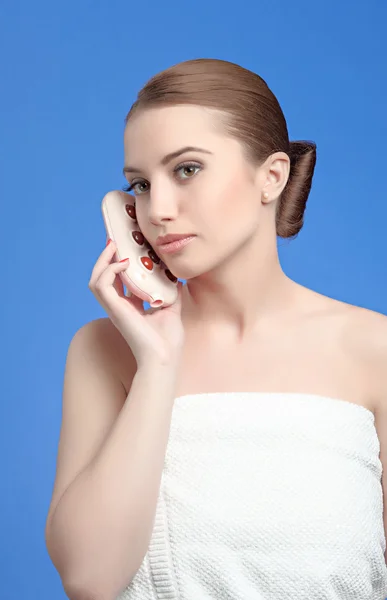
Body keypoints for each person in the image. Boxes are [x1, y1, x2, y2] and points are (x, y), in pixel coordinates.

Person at [45, 58, 387, 600]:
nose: (157, 209)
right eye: (139, 183)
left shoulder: (374, 351)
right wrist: (158, 360)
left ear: (271, 176)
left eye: (186, 169)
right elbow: (89, 578)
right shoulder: (105, 352)